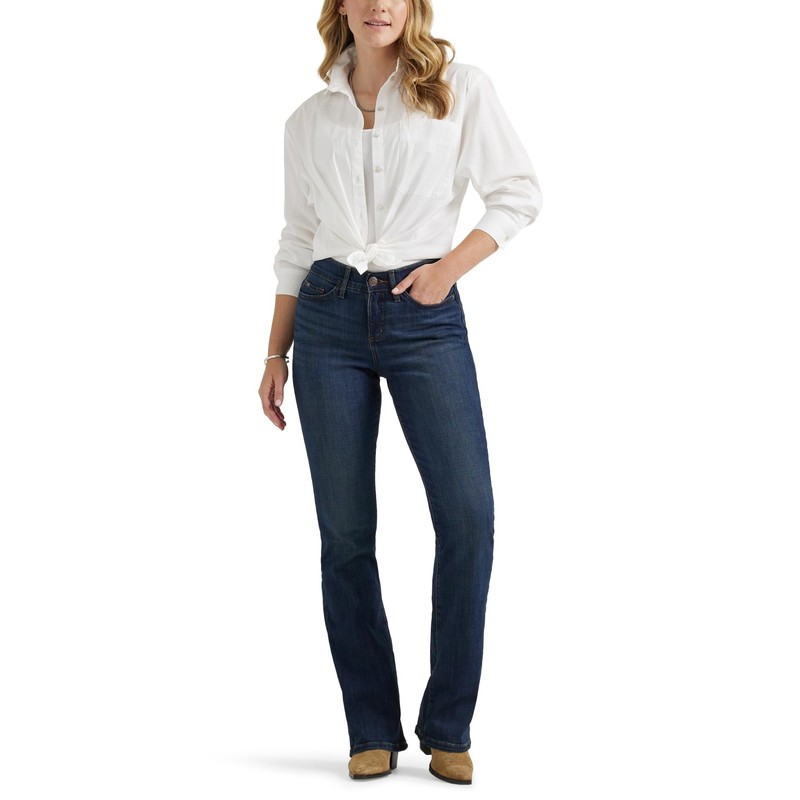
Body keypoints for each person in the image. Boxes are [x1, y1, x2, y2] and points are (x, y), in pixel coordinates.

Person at [258, 0, 542, 785]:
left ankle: (448, 726)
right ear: (341, 7)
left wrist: (447, 270)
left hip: (426, 317)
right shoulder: (307, 121)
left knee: (469, 517)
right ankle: (370, 727)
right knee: (346, 534)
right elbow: (296, 239)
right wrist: (275, 350)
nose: (379, 5)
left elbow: (518, 192)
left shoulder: (459, 89)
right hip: (327, 320)